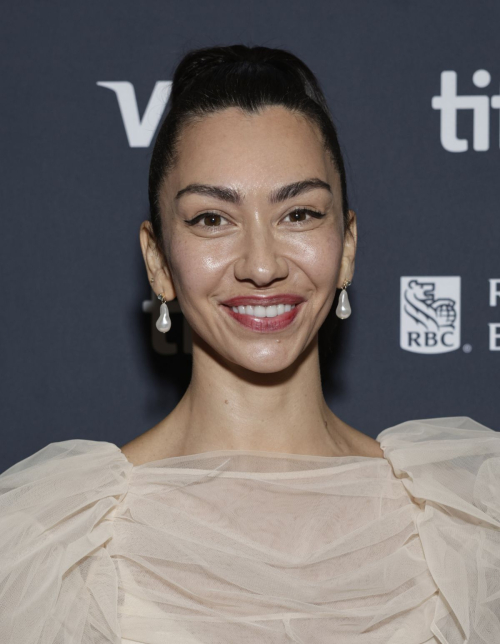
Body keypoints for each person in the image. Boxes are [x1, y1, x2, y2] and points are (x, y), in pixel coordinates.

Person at [0, 45, 499, 644]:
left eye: (299, 214)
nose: (262, 265)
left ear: (347, 248)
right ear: (158, 262)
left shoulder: (468, 525)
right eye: (212, 219)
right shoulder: (48, 540)